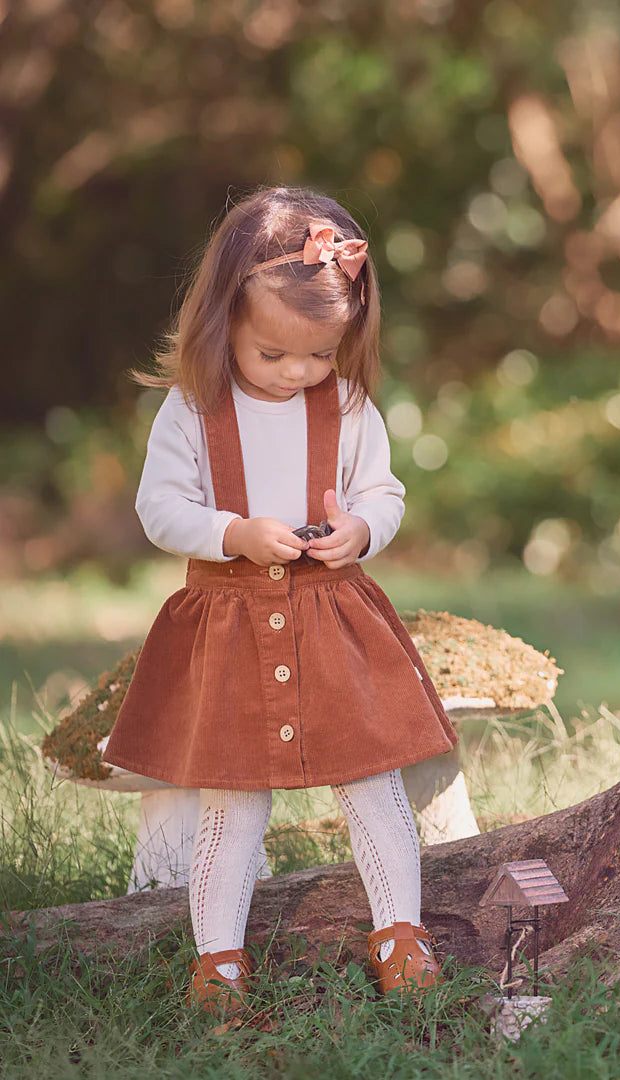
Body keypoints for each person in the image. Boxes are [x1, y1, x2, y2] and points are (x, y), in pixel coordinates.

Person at [104, 187, 457, 1013]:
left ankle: (401, 937)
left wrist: (361, 531)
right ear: (223, 321)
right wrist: (233, 532)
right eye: (273, 355)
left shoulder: (350, 406)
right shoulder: (192, 408)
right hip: (228, 621)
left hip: (331, 618)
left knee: (372, 780)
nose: (298, 372)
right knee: (233, 793)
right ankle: (218, 962)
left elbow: (385, 491)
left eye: (319, 356)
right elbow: (160, 510)